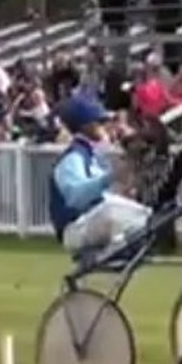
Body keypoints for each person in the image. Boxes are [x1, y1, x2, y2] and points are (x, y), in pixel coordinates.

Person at [48, 95, 152, 256]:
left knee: (147, 214)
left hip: (89, 222)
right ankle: (114, 252)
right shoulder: (73, 158)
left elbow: (101, 196)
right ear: (85, 126)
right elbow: (76, 197)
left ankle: (126, 247)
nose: (105, 126)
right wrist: (111, 177)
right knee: (112, 211)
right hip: (75, 229)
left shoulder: (91, 155)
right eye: (100, 122)